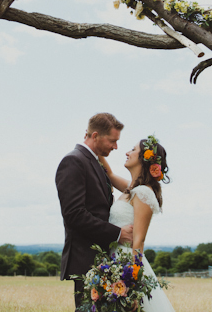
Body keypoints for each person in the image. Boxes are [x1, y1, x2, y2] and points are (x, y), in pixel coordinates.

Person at [56, 113, 134, 310]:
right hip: (85, 262)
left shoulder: (94, 162)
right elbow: (74, 214)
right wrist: (117, 234)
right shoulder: (73, 161)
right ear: (96, 135)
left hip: (100, 262)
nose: (116, 147)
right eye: (113, 141)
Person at [99, 135, 175, 312]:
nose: (127, 152)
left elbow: (138, 242)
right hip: (114, 261)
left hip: (126, 266)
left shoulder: (142, 193)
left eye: (133, 150)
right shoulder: (131, 189)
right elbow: (109, 174)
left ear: (144, 158)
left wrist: (133, 286)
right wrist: (95, 144)